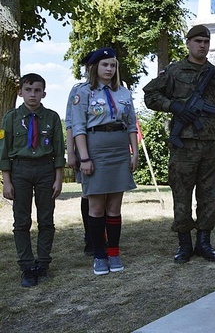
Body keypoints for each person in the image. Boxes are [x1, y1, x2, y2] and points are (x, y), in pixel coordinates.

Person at [144, 25, 215, 264]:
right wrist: (173, 106)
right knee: (182, 195)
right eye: (197, 41)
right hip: (183, 146)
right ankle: (184, 244)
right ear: (188, 43)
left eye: (206, 41)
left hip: (211, 145)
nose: (202, 45)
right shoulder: (174, 71)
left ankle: (204, 242)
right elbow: (150, 95)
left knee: (209, 194)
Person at [71, 48, 139, 275]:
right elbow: (78, 127)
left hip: (119, 151)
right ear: (95, 67)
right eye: (105, 65)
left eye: (113, 65)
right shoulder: (83, 92)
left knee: (114, 207)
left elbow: (131, 125)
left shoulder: (123, 93)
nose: (109, 69)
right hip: (95, 150)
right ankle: (99, 255)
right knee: (97, 207)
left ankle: (114, 252)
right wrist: (84, 158)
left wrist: (134, 153)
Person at [1, 73, 65, 287]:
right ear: (20, 92)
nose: (33, 94)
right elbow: (3, 151)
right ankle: (27, 266)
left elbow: (59, 149)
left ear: (44, 93)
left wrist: (58, 178)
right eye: (28, 90)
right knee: (21, 220)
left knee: (46, 218)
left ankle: (43, 263)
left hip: (46, 169)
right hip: (20, 170)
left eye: (37, 90)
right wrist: (6, 180)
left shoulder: (52, 118)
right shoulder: (10, 118)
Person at [65, 53, 94, 255]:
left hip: (106, 149)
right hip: (84, 147)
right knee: (88, 193)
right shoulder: (78, 91)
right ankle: (90, 236)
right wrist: (70, 152)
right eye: (90, 66)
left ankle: (103, 235)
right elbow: (70, 124)